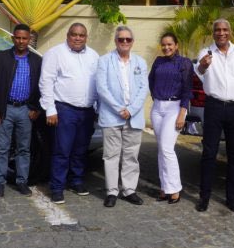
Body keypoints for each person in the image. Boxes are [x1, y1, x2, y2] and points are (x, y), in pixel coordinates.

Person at [195, 18, 234, 213]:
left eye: (224, 30)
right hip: (213, 106)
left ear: (230, 32)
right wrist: (203, 65)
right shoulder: (205, 53)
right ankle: (204, 197)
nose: (221, 33)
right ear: (213, 33)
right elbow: (200, 73)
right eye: (217, 30)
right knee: (209, 154)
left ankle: (232, 198)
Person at [39, 23, 99, 204]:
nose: (78, 38)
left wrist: (97, 108)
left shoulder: (94, 56)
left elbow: (98, 84)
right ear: (67, 35)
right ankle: (57, 187)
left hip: (87, 111)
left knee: (81, 150)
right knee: (62, 151)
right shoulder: (55, 53)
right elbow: (46, 82)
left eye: (82, 35)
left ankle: (76, 181)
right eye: (74, 34)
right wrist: (50, 109)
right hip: (64, 110)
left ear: (86, 37)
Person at [0, 23, 42, 198]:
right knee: (1, 149)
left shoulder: (36, 61)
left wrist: (37, 108)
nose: (21, 41)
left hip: (26, 110)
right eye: (18, 37)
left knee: (24, 149)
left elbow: (43, 86)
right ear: (13, 38)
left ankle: (22, 182)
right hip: (6, 110)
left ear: (29, 39)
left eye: (25, 38)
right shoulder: (2, 58)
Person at [96, 26, 149, 208]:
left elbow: (144, 89)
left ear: (132, 41)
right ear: (115, 41)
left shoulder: (140, 62)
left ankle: (129, 190)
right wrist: (120, 109)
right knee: (111, 155)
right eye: (121, 39)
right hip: (112, 116)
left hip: (133, 117)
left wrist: (131, 109)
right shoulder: (104, 61)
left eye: (128, 39)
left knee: (131, 155)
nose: (124, 42)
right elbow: (102, 88)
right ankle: (112, 191)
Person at [148, 32, 193, 204]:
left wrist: (182, 113)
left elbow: (188, 90)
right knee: (161, 148)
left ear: (176, 45)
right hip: (158, 107)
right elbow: (151, 80)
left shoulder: (184, 63)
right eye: (164, 44)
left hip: (175, 108)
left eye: (170, 44)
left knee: (167, 148)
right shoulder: (158, 61)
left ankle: (174, 189)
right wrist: (156, 97)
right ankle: (164, 187)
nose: (166, 47)